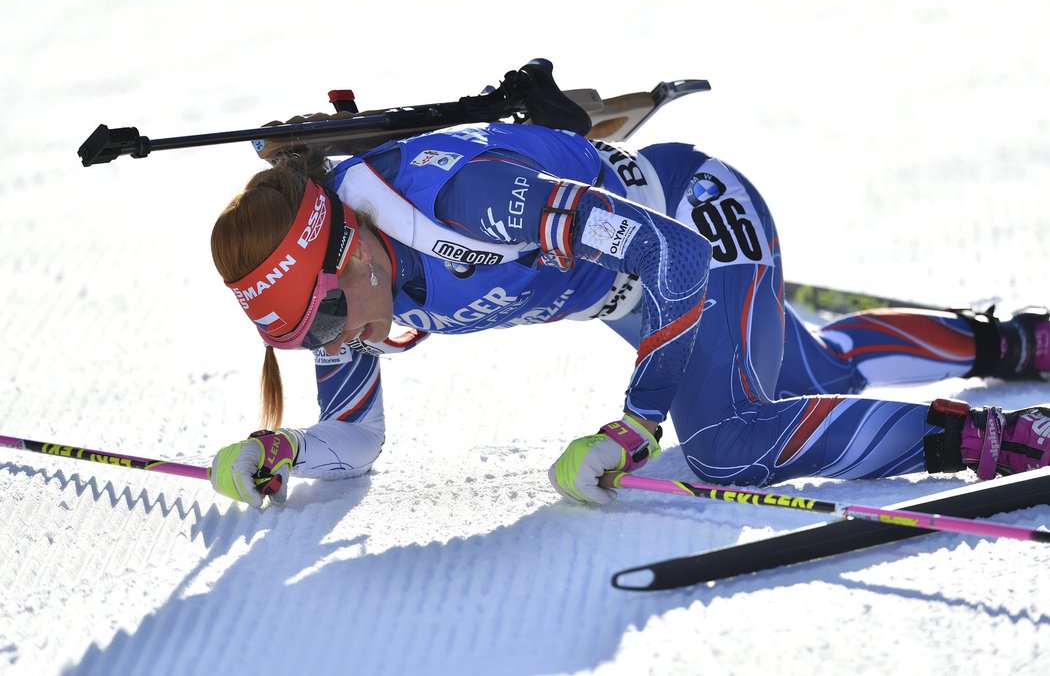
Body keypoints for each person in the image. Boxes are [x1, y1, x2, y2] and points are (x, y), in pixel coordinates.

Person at [207, 121, 1050, 508]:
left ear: (348, 251)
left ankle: (1003, 441)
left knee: (729, 442)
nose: (334, 345)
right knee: (812, 374)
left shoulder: (468, 202)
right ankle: (1010, 343)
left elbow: (675, 259)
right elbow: (353, 443)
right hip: (630, 289)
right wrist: (283, 448)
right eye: (299, 342)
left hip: (693, 217)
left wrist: (635, 425)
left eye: (321, 326)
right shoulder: (341, 285)